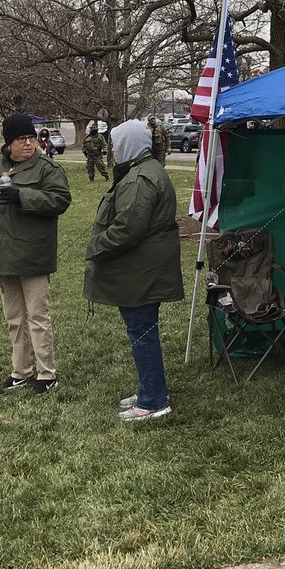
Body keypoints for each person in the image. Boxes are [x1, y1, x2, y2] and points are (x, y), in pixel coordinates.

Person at [0, 113, 71, 394]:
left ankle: (47, 373)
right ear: (8, 142)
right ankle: (20, 370)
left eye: (31, 138)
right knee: (14, 318)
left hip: (33, 254)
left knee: (38, 316)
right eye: (21, 139)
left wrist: (23, 196)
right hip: (2, 255)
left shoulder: (46, 168)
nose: (28, 144)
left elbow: (60, 199)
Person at [84, 118, 183, 422]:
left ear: (128, 144)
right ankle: (149, 389)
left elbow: (128, 229)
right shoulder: (142, 171)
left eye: (115, 143)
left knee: (142, 332)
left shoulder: (141, 178)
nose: (112, 150)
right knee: (142, 331)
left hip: (143, 271)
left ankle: (154, 400)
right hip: (144, 269)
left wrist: (96, 246)